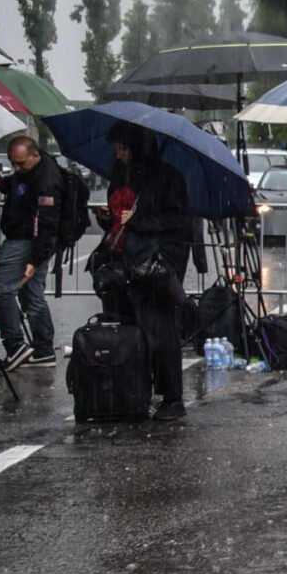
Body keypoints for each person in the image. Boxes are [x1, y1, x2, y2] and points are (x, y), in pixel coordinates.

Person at [95, 130, 194, 421]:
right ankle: (136, 389)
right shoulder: (123, 176)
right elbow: (121, 221)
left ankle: (172, 396)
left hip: (154, 265)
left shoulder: (167, 178)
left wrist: (138, 220)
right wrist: (109, 220)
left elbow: (177, 220)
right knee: (129, 328)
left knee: (161, 330)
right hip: (123, 262)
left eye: (124, 149)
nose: (119, 155)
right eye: (116, 149)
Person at [0, 134, 63, 367]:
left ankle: (16, 346)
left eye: (21, 163)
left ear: (35, 155)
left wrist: (36, 258)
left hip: (25, 241)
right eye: (13, 163)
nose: (17, 168)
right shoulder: (30, 173)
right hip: (28, 240)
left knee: (1, 290)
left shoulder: (47, 180)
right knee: (32, 295)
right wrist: (2, 183)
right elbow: (19, 190)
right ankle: (43, 349)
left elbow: (48, 222)